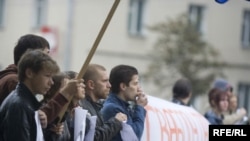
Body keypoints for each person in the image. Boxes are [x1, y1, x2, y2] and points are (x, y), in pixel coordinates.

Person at [80, 63, 127, 141]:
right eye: (104, 81)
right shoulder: (83, 108)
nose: (109, 85)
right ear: (91, 84)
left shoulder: (96, 106)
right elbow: (93, 138)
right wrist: (116, 122)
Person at [101, 64, 148, 141]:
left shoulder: (124, 106)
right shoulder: (113, 108)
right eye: (135, 83)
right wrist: (140, 107)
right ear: (123, 86)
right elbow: (134, 135)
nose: (138, 88)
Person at [0, 34, 50, 105]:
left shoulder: (12, 77)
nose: (49, 60)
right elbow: (29, 113)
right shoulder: (15, 81)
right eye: (46, 55)